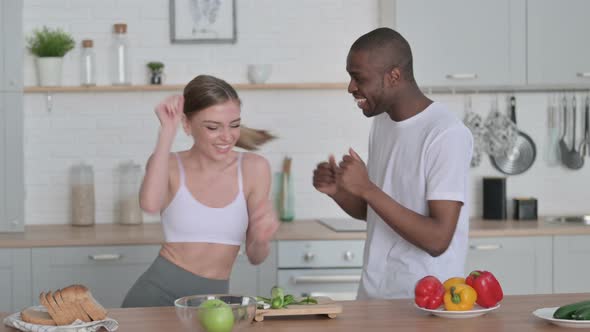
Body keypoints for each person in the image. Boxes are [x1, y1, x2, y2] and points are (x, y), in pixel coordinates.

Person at [312, 28, 473, 300]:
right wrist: (339, 191)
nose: (351, 87)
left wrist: (366, 188)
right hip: (373, 296)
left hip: (423, 304)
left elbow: (438, 240)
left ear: (394, 76)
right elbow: (377, 214)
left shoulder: (445, 134)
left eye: (358, 78)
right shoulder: (382, 122)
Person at [122, 75, 279, 307]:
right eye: (213, 127)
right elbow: (150, 204)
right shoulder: (170, 164)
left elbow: (256, 257)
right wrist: (167, 130)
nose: (227, 137)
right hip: (155, 296)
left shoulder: (254, 168)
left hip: (212, 302)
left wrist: (262, 237)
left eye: (234, 125)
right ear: (187, 124)